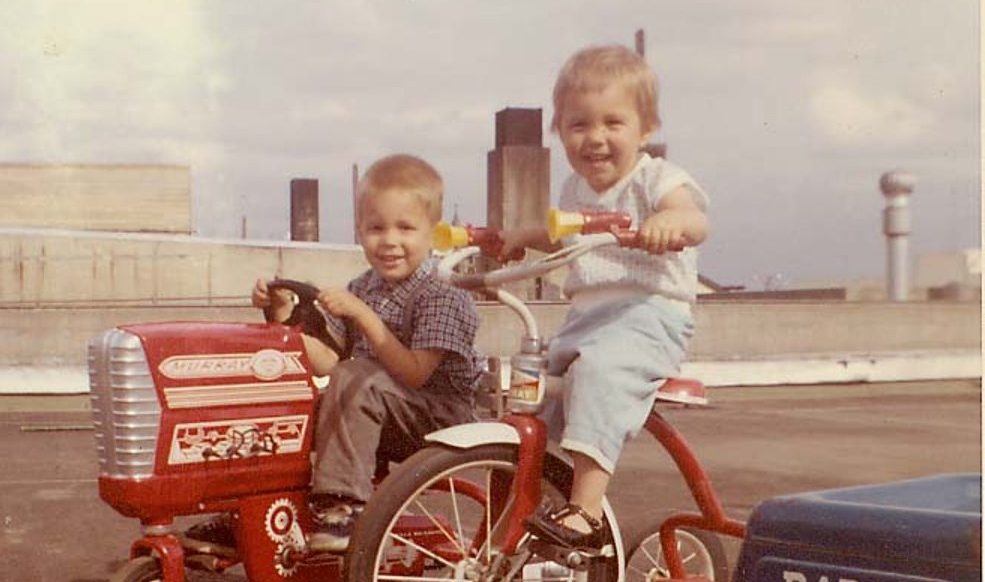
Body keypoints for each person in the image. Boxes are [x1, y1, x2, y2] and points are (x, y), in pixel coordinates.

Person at [182, 154, 483, 554]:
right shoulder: (365, 287)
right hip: (375, 404)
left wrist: (363, 316)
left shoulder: (443, 297)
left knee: (355, 378)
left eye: (405, 228)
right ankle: (253, 512)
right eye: (376, 228)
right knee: (294, 406)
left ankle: (345, 508)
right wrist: (282, 315)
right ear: (359, 231)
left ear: (434, 233)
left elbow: (415, 375)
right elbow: (329, 361)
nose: (389, 240)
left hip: (438, 416)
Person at [503, 44, 710, 554]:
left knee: (598, 372)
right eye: (578, 125)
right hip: (587, 319)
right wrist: (515, 235)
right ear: (560, 132)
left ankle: (586, 513)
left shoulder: (657, 178)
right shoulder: (575, 189)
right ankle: (519, 510)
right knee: (524, 391)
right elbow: (561, 235)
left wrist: (669, 222)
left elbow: (695, 218)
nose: (595, 138)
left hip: (648, 315)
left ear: (646, 129)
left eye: (612, 123)